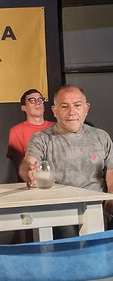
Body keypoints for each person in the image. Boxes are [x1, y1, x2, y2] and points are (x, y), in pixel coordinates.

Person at [20, 85, 113, 234]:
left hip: (95, 209)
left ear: (86, 108)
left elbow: (111, 174)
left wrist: (110, 202)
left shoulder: (101, 137)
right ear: (55, 111)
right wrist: (29, 171)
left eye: (77, 105)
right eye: (64, 107)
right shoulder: (41, 139)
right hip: (58, 212)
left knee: (95, 253)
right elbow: (29, 163)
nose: (72, 112)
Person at [7, 89, 54, 176]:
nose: (38, 103)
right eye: (32, 100)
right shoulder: (16, 131)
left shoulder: (56, 127)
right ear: (23, 107)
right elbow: (20, 165)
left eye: (40, 100)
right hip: (32, 180)